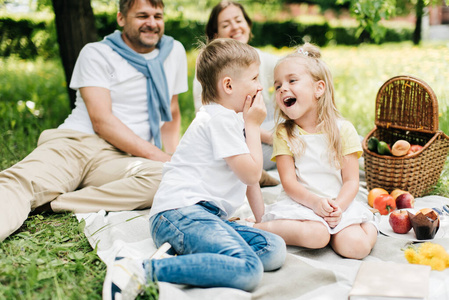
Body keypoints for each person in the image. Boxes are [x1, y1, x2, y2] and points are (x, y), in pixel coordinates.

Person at [102, 38, 286, 300]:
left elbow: (250, 182)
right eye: (255, 78)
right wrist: (254, 126)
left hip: (204, 218)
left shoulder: (231, 119)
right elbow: (252, 174)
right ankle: (140, 269)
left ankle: (185, 253)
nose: (260, 86)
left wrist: (261, 220)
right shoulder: (217, 119)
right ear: (229, 85)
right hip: (180, 213)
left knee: (272, 247)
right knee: (249, 269)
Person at [0, 0, 188, 242]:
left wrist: (171, 160)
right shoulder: (96, 52)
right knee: (21, 182)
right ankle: (42, 193)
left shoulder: (174, 52)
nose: (151, 23)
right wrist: (161, 157)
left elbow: (171, 111)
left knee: (168, 178)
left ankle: (56, 202)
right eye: (142, 15)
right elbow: (102, 121)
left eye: (158, 16)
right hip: (77, 143)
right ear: (121, 18)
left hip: (123, 158)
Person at [254, 43, 378, 260]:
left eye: (292, 81)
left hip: (338, 203)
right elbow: (290, 183)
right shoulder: (284, 133)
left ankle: (371, 226)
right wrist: (314, 204)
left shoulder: (343, 129)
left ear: (318, 88)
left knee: (356, 248)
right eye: (278, 85)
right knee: (317, 236)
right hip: (302, 204)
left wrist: (336, 208)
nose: (283, 88)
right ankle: (260, 227)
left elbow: (350, 181)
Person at [193, 1, 280, 186]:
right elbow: (216, 122)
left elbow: (293, 68)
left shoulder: (259, 58)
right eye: (226, 24)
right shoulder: (209, 73)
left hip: (259, 127)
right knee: (301, 143)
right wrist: (269, 136)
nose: (235, 27)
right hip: (243, 137)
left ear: (248, 25)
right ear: (216, 35)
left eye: (238, 20)